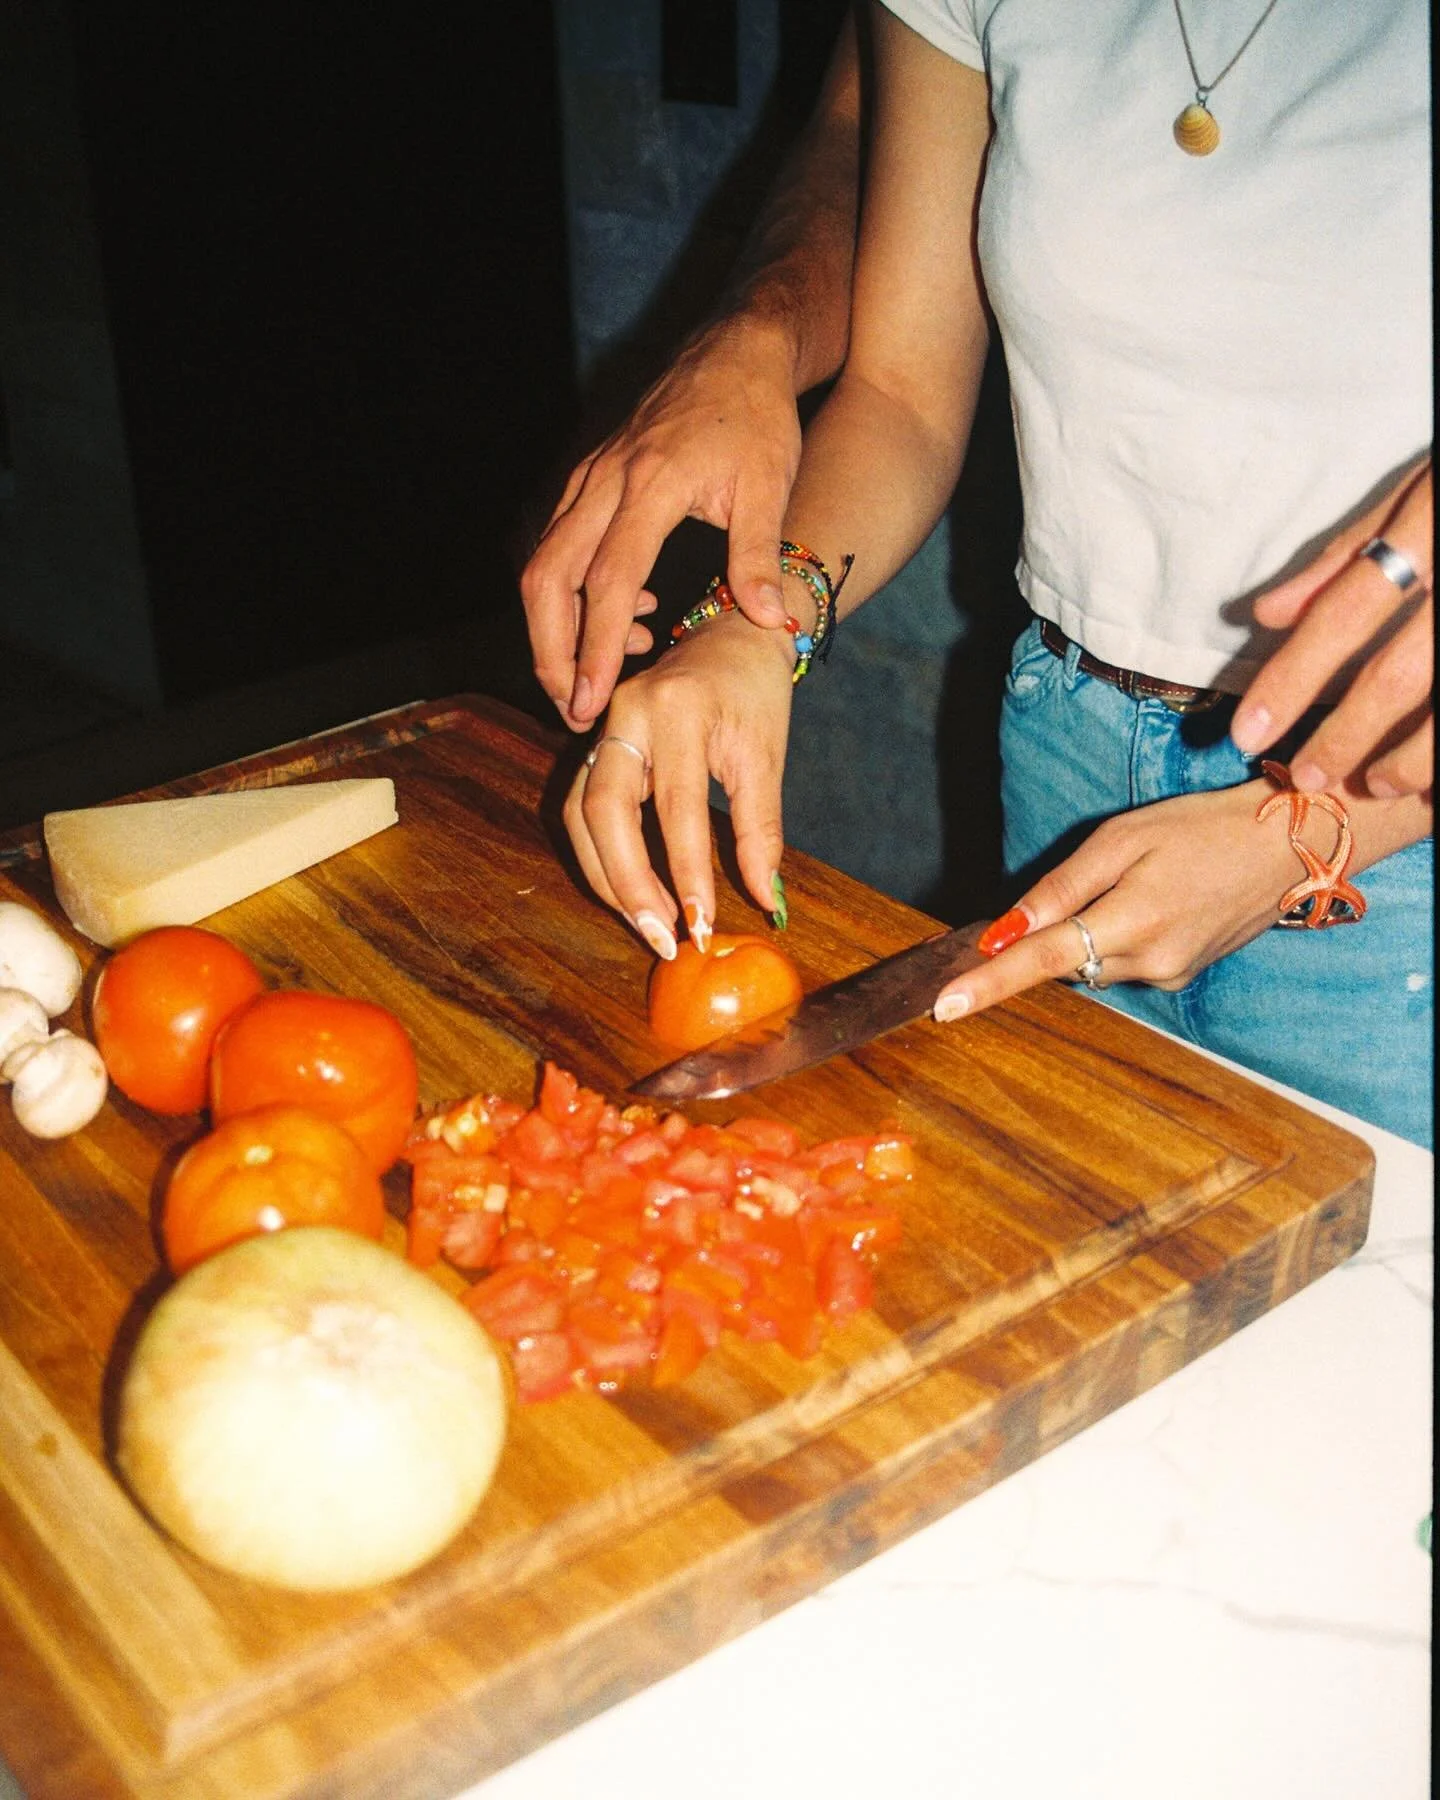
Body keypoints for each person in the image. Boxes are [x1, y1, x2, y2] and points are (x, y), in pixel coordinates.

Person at [521, 1, 1433, 1146]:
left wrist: (1322, 826)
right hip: (1066, 758)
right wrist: (752, 623)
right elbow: (900, 394)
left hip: (1400, 830)